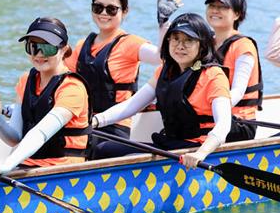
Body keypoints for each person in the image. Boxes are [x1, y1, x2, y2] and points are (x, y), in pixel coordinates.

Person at [92, 13, 232, 169]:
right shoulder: (165, 71)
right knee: (103, 149)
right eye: (176, 39)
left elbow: (224, 126)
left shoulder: (214, 76)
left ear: (203, 45)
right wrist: (96, 120)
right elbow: (131, 105)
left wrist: (200, 153)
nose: (180, 46)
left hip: (196, 150)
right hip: (170, 144)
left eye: (189, 40)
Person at [0, 17, 91, 182]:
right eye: (32, 47)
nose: (39, 54)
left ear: (64, 50)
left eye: (47, 48)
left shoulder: (72, 88)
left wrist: (6, 165)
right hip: (28, 166)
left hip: (63, 171)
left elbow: (40, 133)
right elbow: (14, 138)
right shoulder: (26, 80)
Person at [65, 0, 178, 153]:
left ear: (125, 11)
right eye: (98, 8)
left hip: (114, 127)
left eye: (111, 9)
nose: (104, 13)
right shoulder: (81, 46)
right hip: (83, 123)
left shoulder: (129, 43)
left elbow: (159, 57)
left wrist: (163, 24)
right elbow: (63, 78)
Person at [204, 0, 263, 141]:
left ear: (237, 14)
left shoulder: (243, 46)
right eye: (212, 6)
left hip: (239, 122)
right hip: (209, 116)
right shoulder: (205, 43)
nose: (215, 11)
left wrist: (207, 110)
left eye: (222, 7)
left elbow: (238, 91)